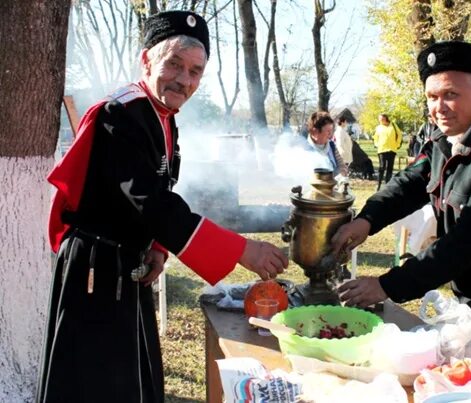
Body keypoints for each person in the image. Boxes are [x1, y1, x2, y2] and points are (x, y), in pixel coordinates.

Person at [37, 11, 288, 403]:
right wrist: (243, 249)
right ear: (147, 60)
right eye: (174, 63)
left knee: (133, 379)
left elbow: (157, 190)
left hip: (127, 264)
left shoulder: (163, 117)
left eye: (194, 71)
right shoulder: (118, 115)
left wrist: (157, 246)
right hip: (96, 265)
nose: (184, 80)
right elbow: (151, 202)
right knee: (94, 384)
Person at [332, 41, 471, 376]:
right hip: (470, 269)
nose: (439, 107)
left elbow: (469, 238)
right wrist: (368, 219)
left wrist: (387, 285)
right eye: (431, 96)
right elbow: (417, 178)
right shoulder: (449, 128)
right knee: (461, 362)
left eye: (450, 94)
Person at [305, 111, 348, 177]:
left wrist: (341, 173)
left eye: (331, 131)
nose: (331, 135)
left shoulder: (332, 146)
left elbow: (342, 166)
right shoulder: (303, 148)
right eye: (328, 131)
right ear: (315, 131)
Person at [373, 113, 402, 190]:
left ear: (386, 118)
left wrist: (397, 144)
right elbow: (375, 137)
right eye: (379, 119)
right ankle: (378, 185)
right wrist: (376, 144)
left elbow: (399, 135)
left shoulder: (393, 125)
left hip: (392, 149)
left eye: (381, 119)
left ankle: (387, 185)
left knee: (390, 168)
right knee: (382, 167)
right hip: (382, 150)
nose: (380, 120)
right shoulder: (378, 127)